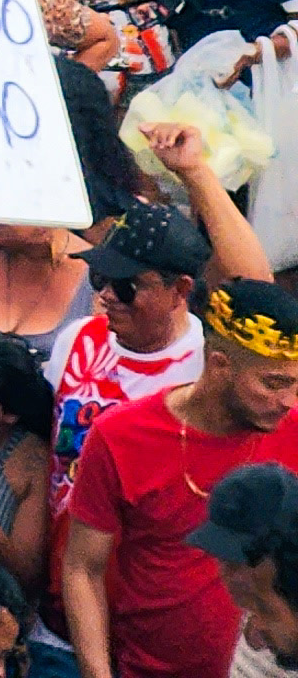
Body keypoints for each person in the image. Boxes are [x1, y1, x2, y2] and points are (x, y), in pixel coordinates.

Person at [58, 277, 298, 678]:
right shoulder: (121, 435)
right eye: (273, 383)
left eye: (294, 384)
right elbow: (83, 567)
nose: (287, 401)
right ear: (220, 365)